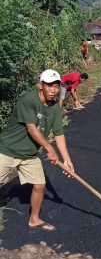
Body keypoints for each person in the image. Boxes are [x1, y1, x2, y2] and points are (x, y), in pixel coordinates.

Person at [0, 69, 74, 231]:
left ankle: (34, 219)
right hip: (8, 149)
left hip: (29, 154)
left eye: (56, 86)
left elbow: (59, 133)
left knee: (40, 185)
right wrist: (49, 149)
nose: (54, 90)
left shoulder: (55, 108)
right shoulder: (28, 100)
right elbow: (32, 129)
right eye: (49, 86)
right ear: (41, 85)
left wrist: (67, 159)